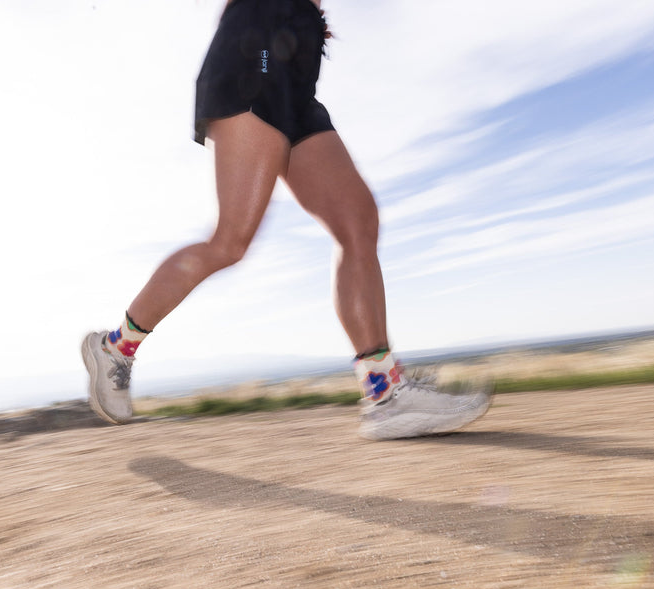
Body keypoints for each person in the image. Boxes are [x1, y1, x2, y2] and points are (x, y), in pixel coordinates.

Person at [82, 0, 490, 440]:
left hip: (296, 86)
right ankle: (116, 347)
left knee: (358, 225)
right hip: (254, 58)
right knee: (230, 242)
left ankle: (385, 392)